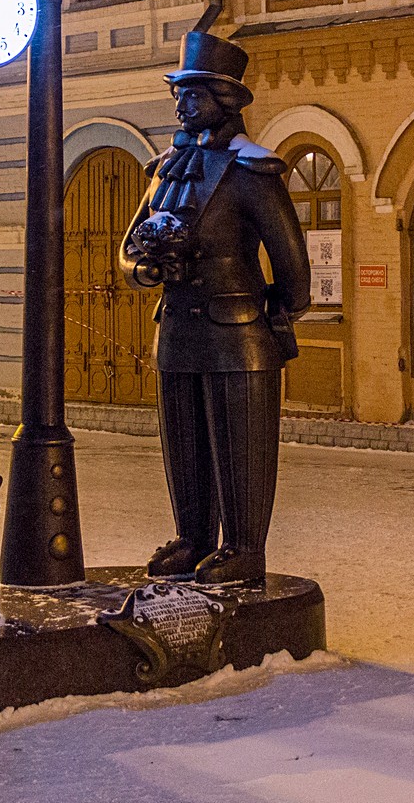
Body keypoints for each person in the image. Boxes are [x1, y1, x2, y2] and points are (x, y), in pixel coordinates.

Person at [120, 31, 310, 586]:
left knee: (240, 447)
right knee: (185, 443)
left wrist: (270, 319)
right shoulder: (164, 170)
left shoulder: (253, 172)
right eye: (178, 94)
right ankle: (193, 537)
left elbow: (294, 272)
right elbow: (129, 249)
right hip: (177, 328)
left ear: (224, 101)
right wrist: (146, 270)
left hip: (238, 331)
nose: (181, 105)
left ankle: (244, 548)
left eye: (193, 94)